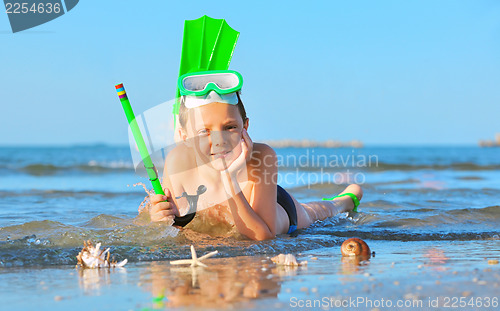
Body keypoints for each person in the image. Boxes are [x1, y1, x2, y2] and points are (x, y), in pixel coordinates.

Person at [149, 70, 362, 240]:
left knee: (316, 212)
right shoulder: (177, 162)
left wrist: (230, 180)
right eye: (204, 131)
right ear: (184, 137)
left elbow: (262, 237)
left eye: (230, 127)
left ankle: (345, 199)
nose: (219, 139)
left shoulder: (261, 156)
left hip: (277, 211)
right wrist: (159, 217)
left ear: (245, 127)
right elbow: (176, 228)